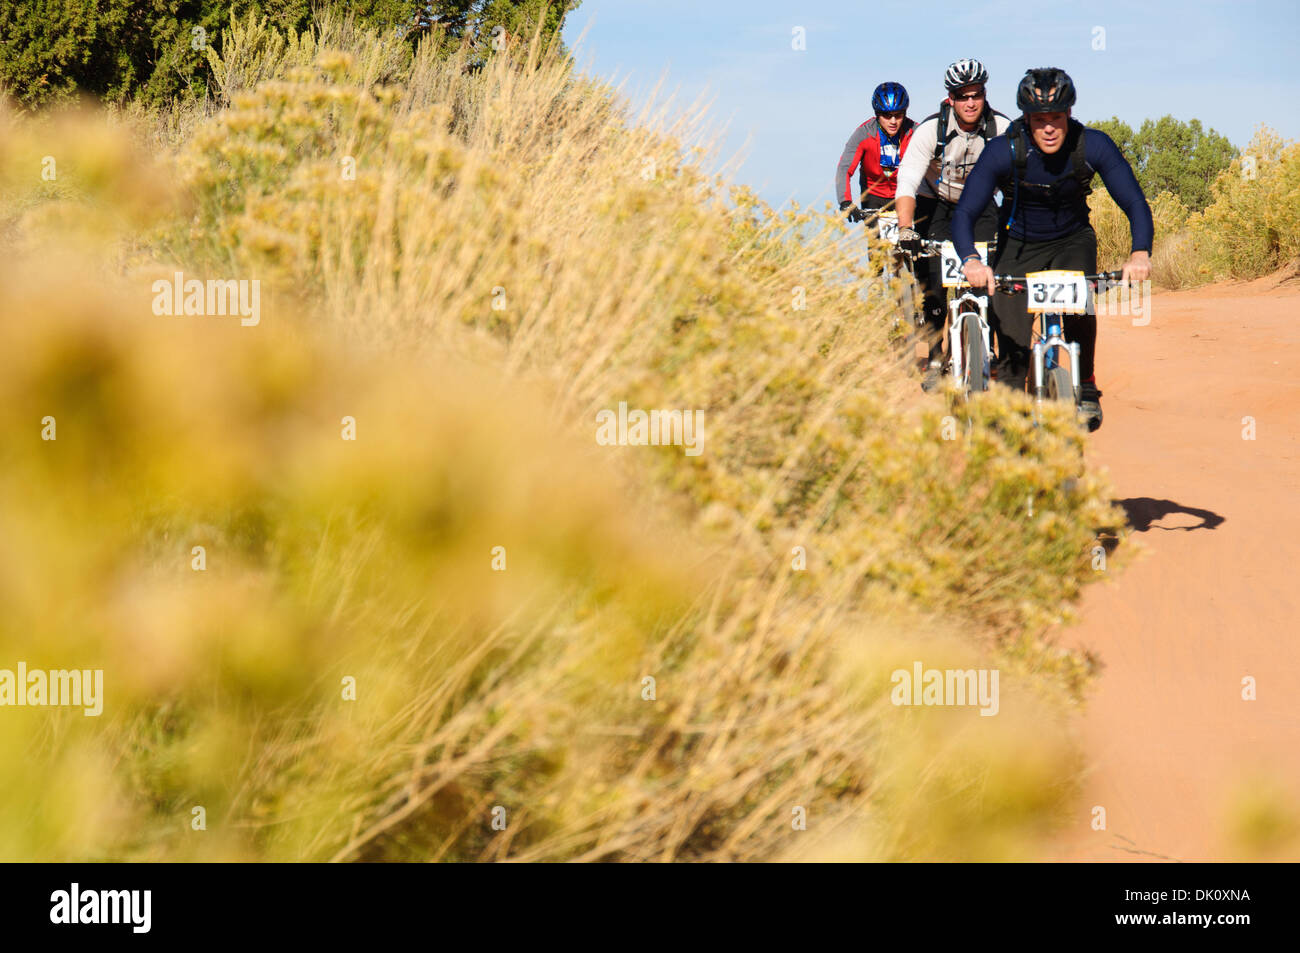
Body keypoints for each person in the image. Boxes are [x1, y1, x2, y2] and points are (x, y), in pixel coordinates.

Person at [954, 67, 1153, 431]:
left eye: (1057, 118)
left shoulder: (1093, 145)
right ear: (1027, 119)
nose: (1048, 128)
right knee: (1012, 359)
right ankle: (1010, 446)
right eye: (1039, 119)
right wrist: (970, 260)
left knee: (1080, 301)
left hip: (1071, 240)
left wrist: (1140, 252)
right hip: (1017, 247)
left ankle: (1087, 384)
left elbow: (1135, 202)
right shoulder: (1004, 150)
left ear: (1069, 115)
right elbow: (965, 211)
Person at [893, 59, 1011, 391]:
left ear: (985, 95)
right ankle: (933, 357)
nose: (971, 103)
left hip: (983, 206)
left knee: (993, 279)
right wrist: (905, 229)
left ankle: (996, 350)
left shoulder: (1001, 128)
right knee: (933, 285)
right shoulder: (931, 130)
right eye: (963, 96)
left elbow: (1022, 175)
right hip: (940, 205)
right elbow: (907, 183)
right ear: (951, 99)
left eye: (977, 95)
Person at [834, 82, 915, 223]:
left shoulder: (915, 132)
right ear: (877, 114)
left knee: (912, 241)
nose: (893, 121)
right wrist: (845, 201)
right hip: (873, 195)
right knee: (877, 243)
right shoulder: (864, 134)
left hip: (905, 194)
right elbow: (844, 169)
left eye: (898, 115)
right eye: (887, 116)